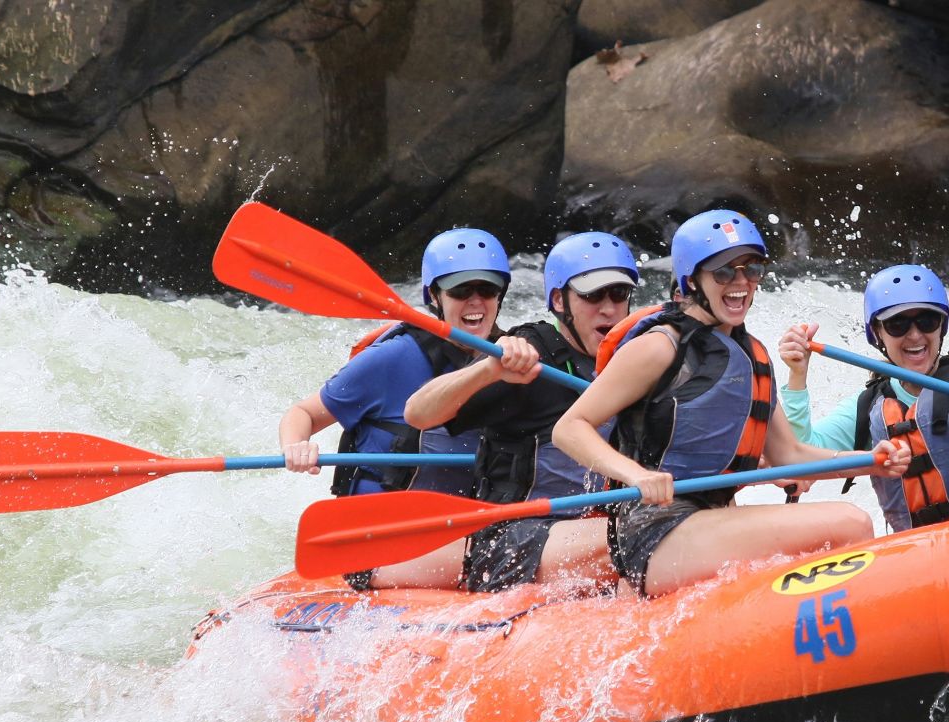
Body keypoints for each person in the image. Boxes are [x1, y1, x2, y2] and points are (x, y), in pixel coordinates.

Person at [552, 209, 910, 596]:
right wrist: (635, 475)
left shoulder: (754, 355)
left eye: (751, 269)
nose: (740, 282)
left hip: (711, 521)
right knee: (851, 522)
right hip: (655, 531)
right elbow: (569, 428)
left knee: (842, 524)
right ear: (692, 280)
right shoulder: (659, 347)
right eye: (724, 272)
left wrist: (868, 460)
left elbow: (788, 454)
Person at [366, 232, 641, 592]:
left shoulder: (634, 354)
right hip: (513, 536)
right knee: (641, 537)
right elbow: (418, 413)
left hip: (591, 524)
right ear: (559, 300)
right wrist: (489, 369)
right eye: (592, 295)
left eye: (619, 295)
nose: (608, 308)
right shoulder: (529, 352)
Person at [278, 228, 539, 497]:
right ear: (435, 297)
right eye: (460, 290)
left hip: (469, 519)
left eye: (487, 289)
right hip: (383, 511)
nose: (475, 301)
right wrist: (295, 446)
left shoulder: (516, 357)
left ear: (500, 295)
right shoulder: (394, 357)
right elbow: (304, 413)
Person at [776, 264, 949, 532]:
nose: (915, 335)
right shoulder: (869, 405)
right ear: (878, 333)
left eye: (927, 320)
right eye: (897, 324)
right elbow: (797, 456)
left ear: (942, 327)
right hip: (912, 550)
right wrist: (798, 375)